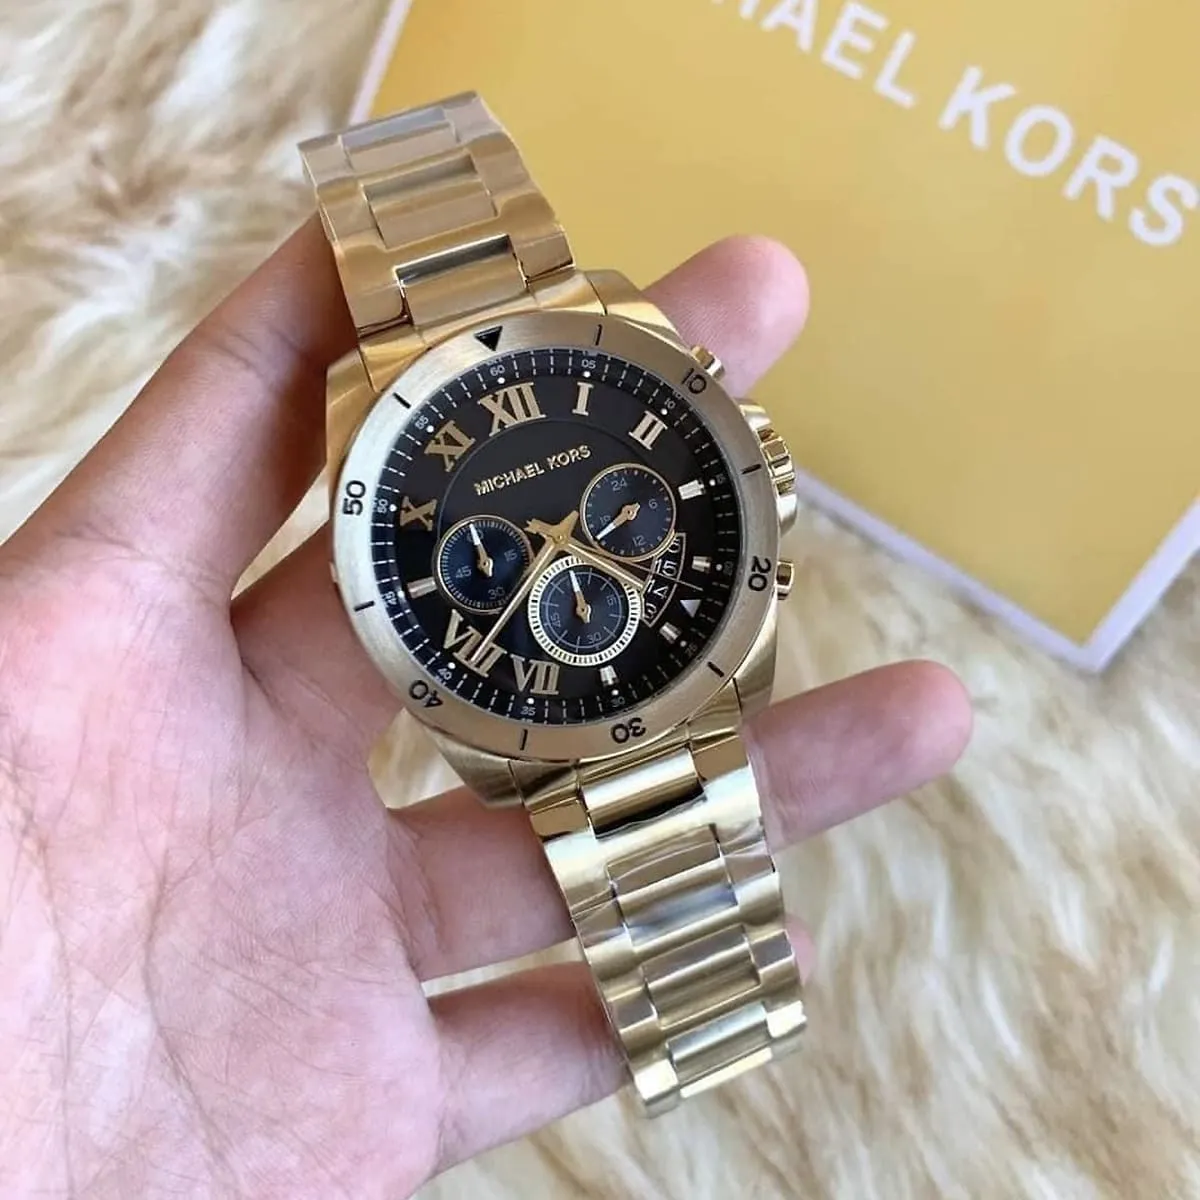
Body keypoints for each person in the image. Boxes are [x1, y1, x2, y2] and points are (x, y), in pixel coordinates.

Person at [0, 220, 972, 1197]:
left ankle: (711, 998)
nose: (553, 537)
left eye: (570, 524)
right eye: (538, 538)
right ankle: (709, 1004)